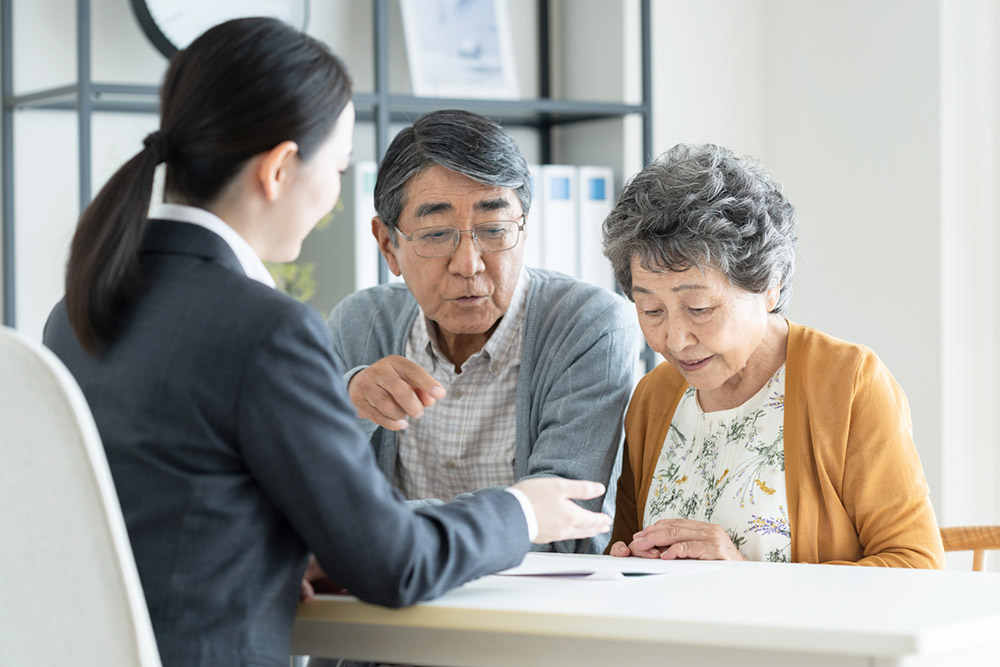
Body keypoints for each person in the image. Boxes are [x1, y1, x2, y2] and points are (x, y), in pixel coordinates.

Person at [42, 18, 611, 667]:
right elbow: (394, 561)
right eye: (338, 168)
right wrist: (522, 510)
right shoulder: (266, 330)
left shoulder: (78, 312)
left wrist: (282, 553)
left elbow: (178, 515)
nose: (333, 197)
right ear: (281, 169)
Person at [602, 143, 944, 567]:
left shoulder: (848, 384)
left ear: (769, 284)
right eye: (650, 310)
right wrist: (623, 564)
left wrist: (747, 581)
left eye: (699, 308)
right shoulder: (654, 398)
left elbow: (916, 566)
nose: (674, 340)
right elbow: (625, 549)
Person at [325, 109, 640, 554]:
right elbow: (309, 501)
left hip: (537, 610)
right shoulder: (359, 324)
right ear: (387, 246)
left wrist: (382, 526)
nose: (469, 264)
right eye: (436, 234)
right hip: (389, 605)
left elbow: (564, 523)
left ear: (525, 228)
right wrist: (346, 402)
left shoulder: (590, 326)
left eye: (494, 230)